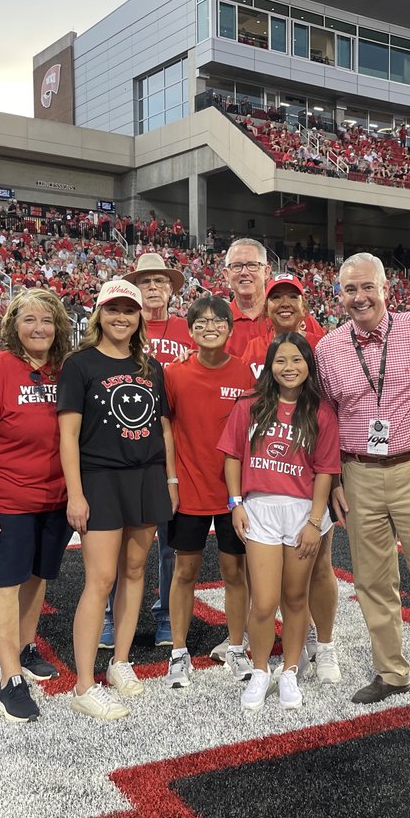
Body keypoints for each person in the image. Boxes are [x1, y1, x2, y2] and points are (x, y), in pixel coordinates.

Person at [315, 252, 410, 715]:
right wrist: (336, 477)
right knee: (372, 578)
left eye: (366, 287)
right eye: (349, 289)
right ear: (339, 295)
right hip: (358, 471)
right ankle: (392, 671)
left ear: (385, 289)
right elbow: (328, 418)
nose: (359, 297)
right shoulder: (329, 349)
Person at [57, 280, 176, 721]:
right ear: (99, 315)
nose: (121, 318)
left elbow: (162, 428)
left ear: (140, 316)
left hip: (145, 478)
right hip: (101, 478)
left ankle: (120, 662)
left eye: (129, 310)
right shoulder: (79, 364)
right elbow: (68, 435)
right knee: (100, 579)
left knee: (134, 570)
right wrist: (76, 492)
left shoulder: (151, 366)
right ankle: (84, 684)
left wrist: (170, 479)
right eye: (113, 310)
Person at [0, 289, 73, 723]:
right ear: (13, 325)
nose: (39, 328)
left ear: (58, 326)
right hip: (8, 498)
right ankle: (9, 676)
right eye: (29, 320)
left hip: (56, 498)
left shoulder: (65, 370)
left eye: (47, 320)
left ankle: (26, 646)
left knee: (38, 576)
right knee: (4, 583)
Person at [220, 332, 341, 711]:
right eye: (281, 361)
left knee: (294, 598)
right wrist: (235, 503)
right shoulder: (250, 406)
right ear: (270, 367)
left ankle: (289, 670)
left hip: (304, 512)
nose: (289, 368)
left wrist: (315, 522)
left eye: (297, 360)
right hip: (260, 510)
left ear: (309, 365)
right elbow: (232, 458)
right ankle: (260, 670)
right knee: (263, 602)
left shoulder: (321, 411)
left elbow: (324, 471)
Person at [236, 272, 341, 682]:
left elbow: (333, 412)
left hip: (313, 474)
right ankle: (267, 646)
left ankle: (325, 644)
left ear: (303, 304)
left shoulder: (323, 347)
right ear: (266, 304)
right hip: (266, 481)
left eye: (291, 297)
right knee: (263, 578)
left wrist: (336, 481)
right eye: (275, 297)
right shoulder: (250, 348)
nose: (283, 304)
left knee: (320, 565)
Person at [96, 252, 194, 649]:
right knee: (117, 540)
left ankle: (167, 612)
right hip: (123, 445)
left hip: (176, 444)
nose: (154, 287)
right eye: (146, 281)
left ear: (172, 288)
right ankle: (109, 613)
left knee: (171, 540)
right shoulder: (124, 325)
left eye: (161, 281)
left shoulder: (191, 328)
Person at [161, 294, 253, 688]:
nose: (210, 327)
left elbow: (252, 433)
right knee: (185, 569)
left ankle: (235, 647)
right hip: (191, 489)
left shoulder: (245, 373)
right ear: (191, 329)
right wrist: (171, 481)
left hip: (234, 492)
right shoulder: (175, 375)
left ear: (230, 330)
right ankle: (178, 652)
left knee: (235, 570)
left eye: (218, 322)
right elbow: (166, 430)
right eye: (201, 322)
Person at [222, 238, 322, 358]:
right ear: (226, 274)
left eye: (252, 265)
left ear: (266, 271)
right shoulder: (216, 324)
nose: (244, 272)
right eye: (237, 266)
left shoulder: (301, 318)